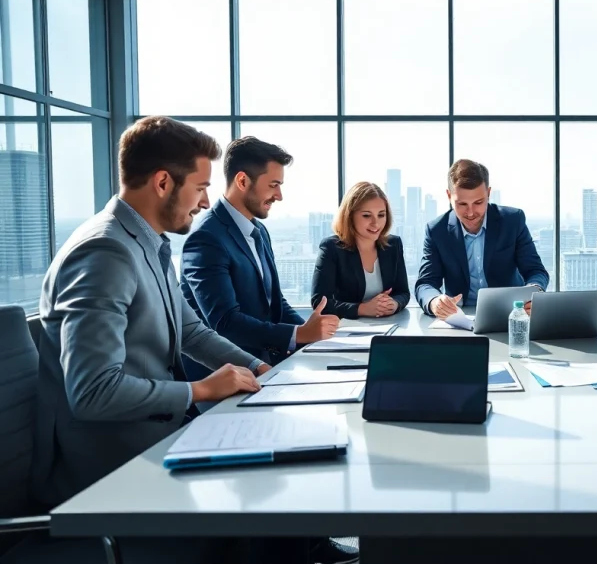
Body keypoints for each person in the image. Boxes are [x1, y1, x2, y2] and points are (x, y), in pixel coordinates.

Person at [32, 117, 268, 510]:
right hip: (112, 470)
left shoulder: (148, 245)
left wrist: (260, 369)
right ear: (163, 183)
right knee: (259, 483)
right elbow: (92, 393)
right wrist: (202, 389)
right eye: (201, 188)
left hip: (153, 439)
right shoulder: (105, 254)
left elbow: (192, 332)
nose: (207, 202)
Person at [180, 136, 340, 378]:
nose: (279, 196)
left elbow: (275, 303)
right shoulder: (206, 239)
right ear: (243, 181)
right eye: (273, 185)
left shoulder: (259, 231)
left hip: (266, 366)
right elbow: (225, 323)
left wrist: (315, 337)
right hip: (222, 377)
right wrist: (299, 334)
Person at [415, 158, 550, 319]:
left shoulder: (513, 221)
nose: (471, 212)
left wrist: (534, 293)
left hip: (511, 315)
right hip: (459, 318)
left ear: (488, 193)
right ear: (449, 195)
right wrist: (434, 301)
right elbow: (426, 283)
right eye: (462, 204)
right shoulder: (436, 230)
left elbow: (535, 271)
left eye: (478, 202)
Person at [312, 181, 410, 319]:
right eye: (366, 215)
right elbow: (319, 302)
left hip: (386, 325)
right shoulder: (331, 248)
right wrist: (363, 309)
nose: (376, 223)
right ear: (350, 216)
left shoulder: (393, 245)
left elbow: (403, 292)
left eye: (381, 215)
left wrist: (394, 304)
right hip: (345, 330)